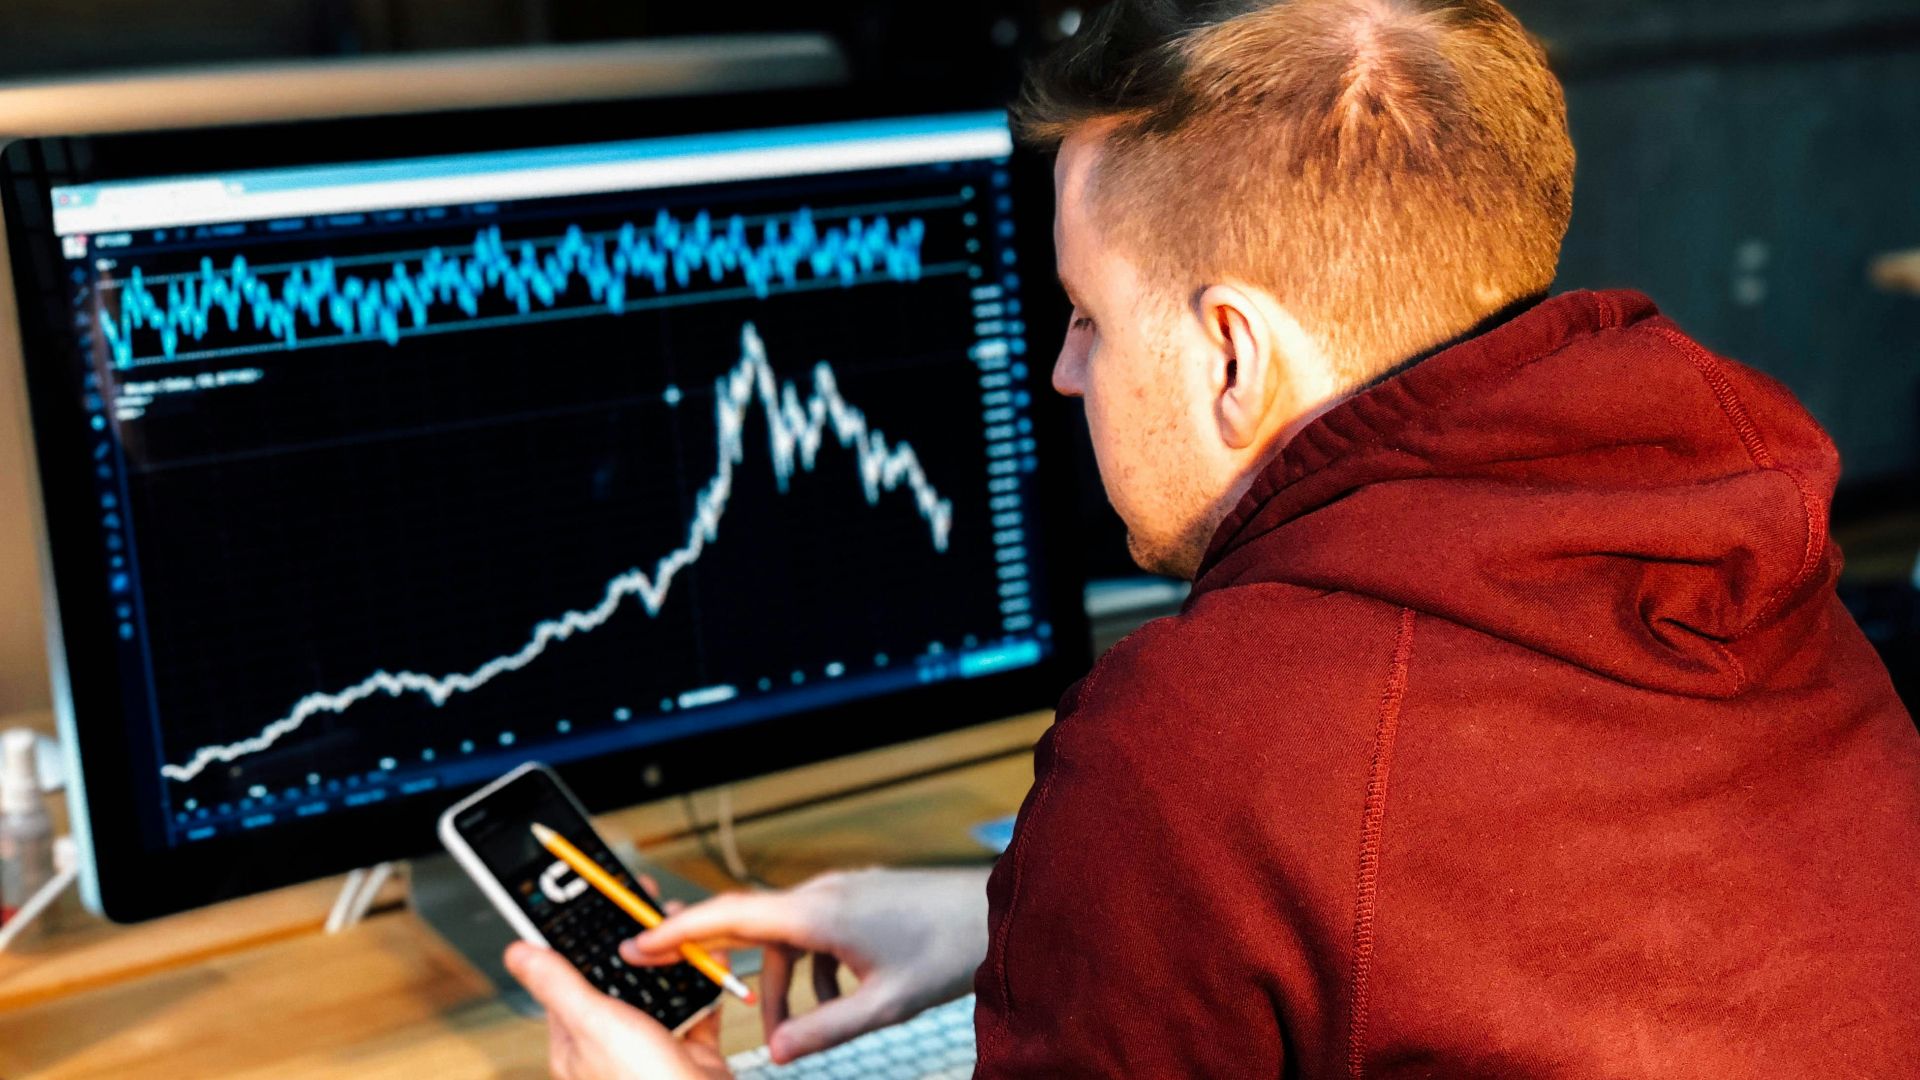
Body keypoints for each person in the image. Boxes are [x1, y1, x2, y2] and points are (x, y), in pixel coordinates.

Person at [505, 0, 1920, 1075]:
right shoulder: (1748, 564)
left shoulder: (1206, 742)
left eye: (1090, 317)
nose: (1064, 373)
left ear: (1233, 353)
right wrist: (1024, 918)